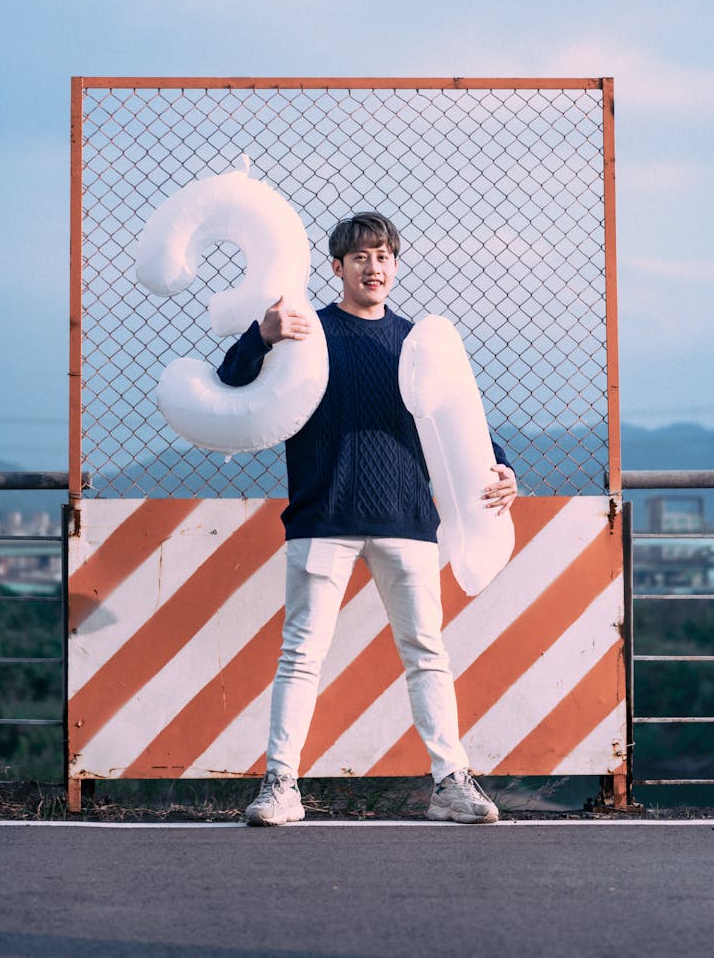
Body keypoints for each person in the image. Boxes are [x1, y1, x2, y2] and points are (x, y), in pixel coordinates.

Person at [218, 211, 517, 826]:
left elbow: (459, 420)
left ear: (395, 265)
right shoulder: (304, 332)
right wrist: (262, 334)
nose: (373, 267)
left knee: (426, 652)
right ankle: (281, 786)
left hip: (406, 517)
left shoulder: (419, 344)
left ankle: (449, 783)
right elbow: (231, 381)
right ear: (337, 267)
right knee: (301, 655)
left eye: (383, 256)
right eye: (360, 258)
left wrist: (501, 468)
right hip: (322, 514)